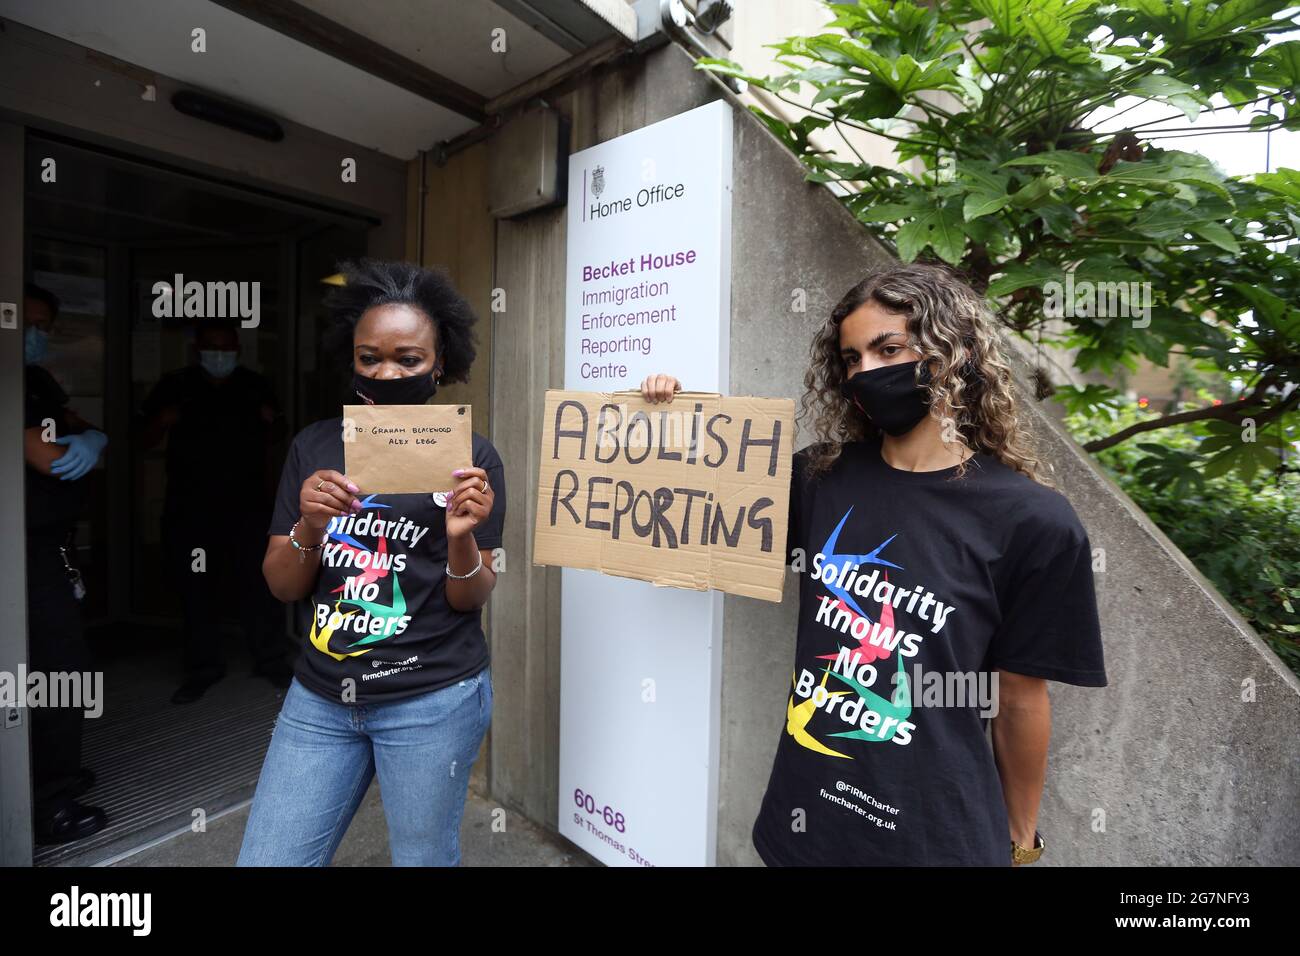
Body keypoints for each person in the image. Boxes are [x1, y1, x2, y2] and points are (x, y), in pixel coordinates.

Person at [641, 262, 1107, 866]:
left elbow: (1020, 699)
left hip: (933, 837)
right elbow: (695, 524)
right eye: (852, 358)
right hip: (805, 818)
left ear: (954, 352)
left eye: (889, 349)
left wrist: (1020, 841)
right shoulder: (820, 478)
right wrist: (665, 425)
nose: (867, 371)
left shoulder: (1033, 521)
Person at [236, 259, 504, 867]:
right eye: (369, 358)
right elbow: (282, 586)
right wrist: (308, 525)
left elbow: (471, 596)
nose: (387, 372)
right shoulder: (314, 446)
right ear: (351, 360)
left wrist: (462, 537)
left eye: (408, 359)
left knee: (422, 859)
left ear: (440, 364)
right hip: (321, 698)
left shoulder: (473, 458)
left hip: (432, 698)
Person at [139, 321, 292, 704]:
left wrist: (271, 422)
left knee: (259, 585)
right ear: (198, 350)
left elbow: (281, 436)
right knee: (197, 587)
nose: (218, 355)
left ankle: (271, 659)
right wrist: (163, 420)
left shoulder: (254, 385)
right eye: (211, 347)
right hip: (193, 514)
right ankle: (202, 667)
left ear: (238, 350)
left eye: (226, 348)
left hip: (247, 509)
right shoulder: (176, 384)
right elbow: (141, 436)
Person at [22, 282, 110, 844]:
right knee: (57, 669)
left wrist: (91, 435)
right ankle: (49, 804)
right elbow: (48, 457)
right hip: (21, 553)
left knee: (57, 665)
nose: (35, 336)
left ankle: (55, 773)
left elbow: (68, 425)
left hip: (48, 544)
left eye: (44, 327)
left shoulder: (36, 381)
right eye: (28, 324)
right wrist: (81, 446)